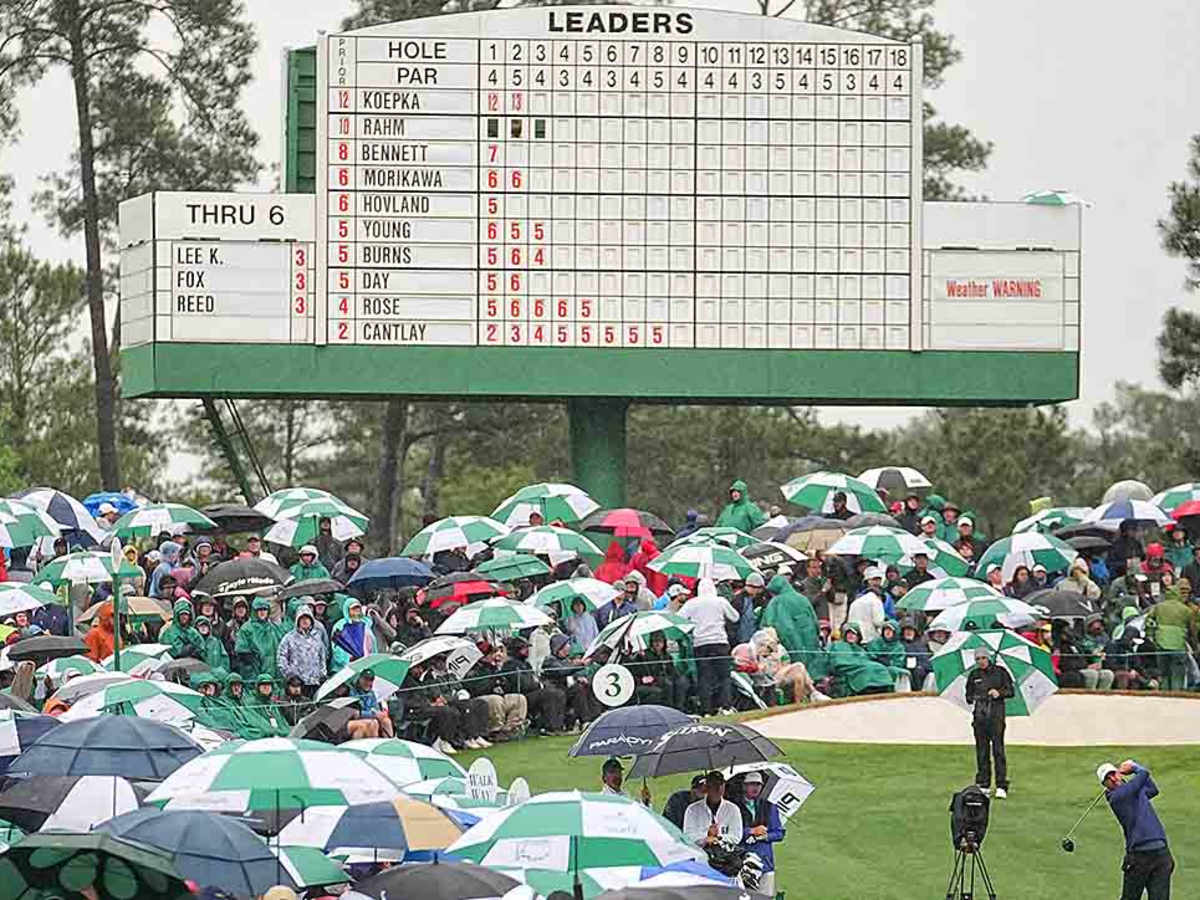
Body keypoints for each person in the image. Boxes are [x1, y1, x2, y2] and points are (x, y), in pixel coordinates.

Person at [1098, 760, 1174, 900]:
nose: (1113, 779)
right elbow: (1143, 774)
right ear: (1105, 786)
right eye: (1108, 779)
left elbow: (1152, 790)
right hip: (1139, 857)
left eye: (1113, 774)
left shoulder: (1133, 791)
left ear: (1119, 773)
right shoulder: (1117, 797)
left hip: (1161, 854)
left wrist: (1134, 770)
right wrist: (1134, 767)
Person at [680, 578, 739, 716]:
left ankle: (706, 710)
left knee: (704, 678)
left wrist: (693, 626)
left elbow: (679, 619)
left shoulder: (691, 603)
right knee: (724, 676)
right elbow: (735, 617)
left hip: (700, 644)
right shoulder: (720, 601)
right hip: (719, 642)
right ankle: (726, 707)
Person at [965, 647, 1015, 799]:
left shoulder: (1001, 672)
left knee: (998, 751)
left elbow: (1010, 691)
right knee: (982, 751)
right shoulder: (974, 675)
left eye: (983, 658)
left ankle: (1001, 785)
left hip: (996, 717)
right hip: (979, 718)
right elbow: (968, 695)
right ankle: (984, 783)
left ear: (989, 658)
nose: (981, 661)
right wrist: (975, 696)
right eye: (978, 659)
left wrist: (998, 693)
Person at [739, 770, 785, 896]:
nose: (755, 787)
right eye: (751, 784)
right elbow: (733, 831)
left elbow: (779, 833)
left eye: (758, 784)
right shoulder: (735, 807)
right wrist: (751, 831)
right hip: (743, 863)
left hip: (765, 863)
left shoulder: (769, 806)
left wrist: (764, 836)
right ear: (744, 786)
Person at [1146, 584, 1196, 691]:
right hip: (1178, 644)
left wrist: (1152, 636)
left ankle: (1164, 695)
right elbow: (1193, 631)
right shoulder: (1186, 610)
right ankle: (1176, 695)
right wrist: (1195, 645)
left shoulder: (1158, 607)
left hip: (1161, 643)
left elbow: (1149, 622)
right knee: (1178, 673)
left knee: (1163, 673)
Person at [827, 622, 898, 696]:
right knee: (872, 667)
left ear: (858, 636)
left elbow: (867, 659)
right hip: (850, 670)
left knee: (882, 668)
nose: (851, 636)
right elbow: (838, 662)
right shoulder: (838, 645)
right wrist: (860, 664)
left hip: (863, 668)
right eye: (848, 633)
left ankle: (883, 688)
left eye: (854, 634)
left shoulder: (861, 649)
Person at [276, 604, 328, 695]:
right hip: (297, 684)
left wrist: (322, 674)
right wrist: (289, 675)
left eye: (307, 618)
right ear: (297, 620)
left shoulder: (317, 637)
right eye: (302, 618)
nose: (305, 621)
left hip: (314, 682)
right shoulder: (289, 638)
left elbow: (322, 657)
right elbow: (281, 657)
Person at [683, 771, 744, 847]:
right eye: (714, 785)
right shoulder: (692, 809)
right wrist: (706, 837)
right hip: (700, 852)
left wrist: (718, 837)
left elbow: (736, 837)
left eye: (721, 784)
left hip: (725, 853)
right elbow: (688, 836)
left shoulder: (733, 809)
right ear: (706, 787)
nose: (718, 788)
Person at [233, 596, 283, 680]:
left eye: (264, 609)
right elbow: (242, 652)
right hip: (255, 674)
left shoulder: (273, 628)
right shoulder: (246, 629)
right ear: (254, 611)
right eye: (259, 610)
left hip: (274, 673)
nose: (262, 612)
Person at [330, 596, 377, 669]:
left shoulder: (366, 624)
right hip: (345, 667)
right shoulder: (340, 625)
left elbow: (372, 643)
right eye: (353, 608)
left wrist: (372, 660)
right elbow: (336, 647)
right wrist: (346, 660)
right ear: (347, 609)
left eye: (358, 607)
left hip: (365, 664)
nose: (356, 610)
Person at [350, 669, 394, 737]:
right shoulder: (353, 692)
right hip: (360, 718)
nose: (368, 682)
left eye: (370, 680)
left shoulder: (371, 693)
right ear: (360, 678)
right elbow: (355, 713)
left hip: (372, 716)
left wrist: (380, 714)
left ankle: (389, 743)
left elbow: (376, 708)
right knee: (374, 723)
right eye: (365, 679)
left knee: (386, 721)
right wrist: (373, 714)